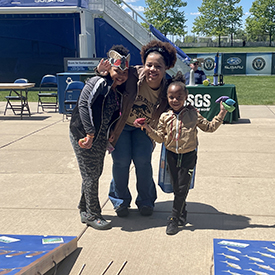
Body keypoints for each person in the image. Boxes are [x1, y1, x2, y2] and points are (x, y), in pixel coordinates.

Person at [134, 71, 228, 235]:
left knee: (182, 188)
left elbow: (210, 127)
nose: (175, 100)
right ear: (167, 97)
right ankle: (183, 212)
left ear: (186, 97)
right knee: (177, 187)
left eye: (179, 97)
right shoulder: (165, 117)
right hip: (171, 155)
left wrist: (222, 112)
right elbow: (160, 138)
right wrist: (148, 128)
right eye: (171, 97)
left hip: (188, 156)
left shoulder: (193, 114)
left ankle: (174, 219)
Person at [96, 40, 177, 217]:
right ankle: (120, 201)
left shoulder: (168, 88)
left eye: (158, 66)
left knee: (143, 161)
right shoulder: (132, 74)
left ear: (166, 69)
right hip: (122, 126)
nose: (152, 69)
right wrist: (101, 73)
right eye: (149, 65)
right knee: (121, 161)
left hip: (145, 129)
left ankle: (146, 201)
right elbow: (114, 74)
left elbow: (179, 103)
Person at [69, 45, 130, 230]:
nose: (120, 75)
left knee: (94, 173)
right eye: (117, 70)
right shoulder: (98, 82)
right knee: (90, 174)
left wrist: (109, 132)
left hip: (99, 138)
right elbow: (84, 105)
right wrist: (89, 133)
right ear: (108, 68)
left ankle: (84, 207)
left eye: (124, 72)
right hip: (84, 135)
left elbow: (110, 114)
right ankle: (93, 214)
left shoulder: (115, 90)